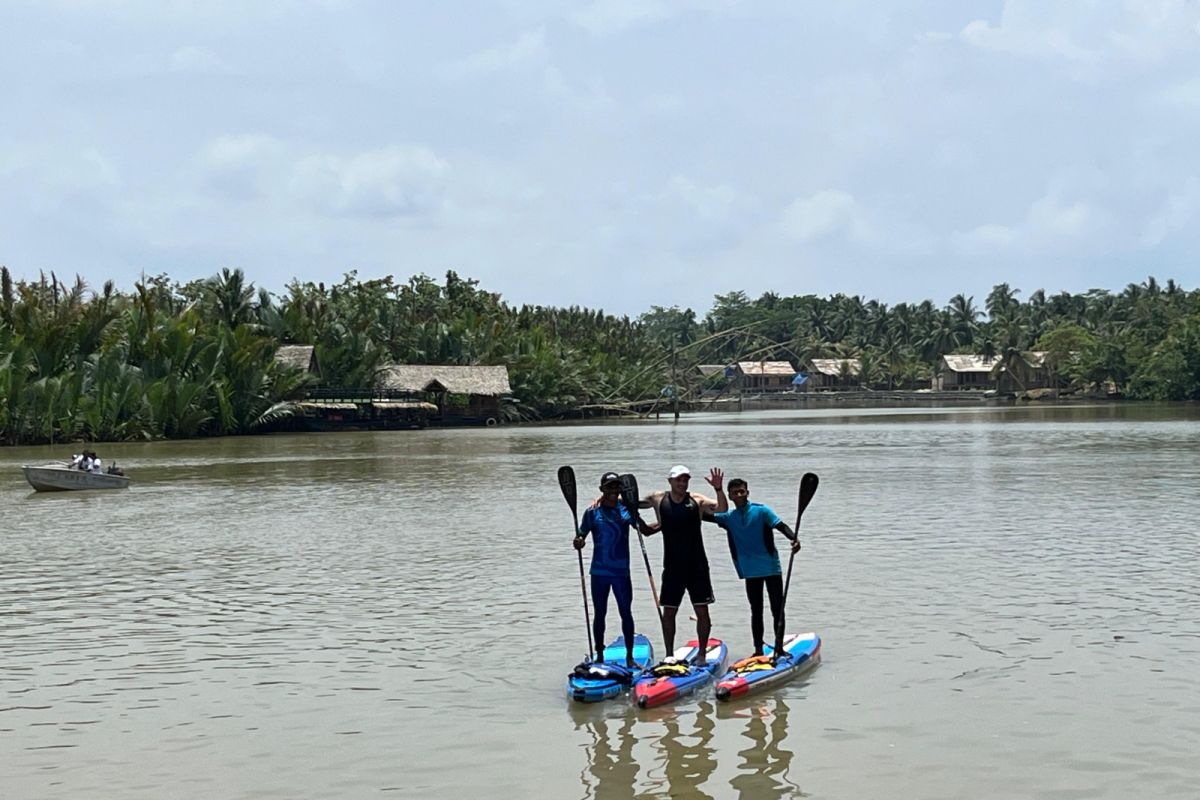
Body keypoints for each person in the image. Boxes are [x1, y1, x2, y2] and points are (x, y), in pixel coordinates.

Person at [640, 465, 727, 665]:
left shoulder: (696, 500)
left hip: (697, 566)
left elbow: (722, 509)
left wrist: (719, 489)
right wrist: (607, 499)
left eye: (685, 479)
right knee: (669, 612)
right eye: (678, 480)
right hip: (672, 567)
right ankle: (669, 654)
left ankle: (702, 655)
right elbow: (631, 502)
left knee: (702, 612)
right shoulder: (657, 499)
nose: (682, 483)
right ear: (670, 481)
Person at [705, 478, 799, 660]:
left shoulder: (761, 511)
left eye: (742, 491)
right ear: (730, 496)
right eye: (735, 492)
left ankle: (779, 648)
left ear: (748, 492)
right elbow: (701, 514)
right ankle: (758, 649)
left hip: (771, 568)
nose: (739, 495)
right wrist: (717, 490)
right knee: (756, 610)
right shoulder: (728, 518)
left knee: (777, 609)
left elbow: (781, 526)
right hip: (750, 571)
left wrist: (793, 538)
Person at [575, 471, 658, 667]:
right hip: (599, 573)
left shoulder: (626, 510)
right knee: (600, 613)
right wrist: (578, 542)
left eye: (616, 487)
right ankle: (600, 656)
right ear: (602, 490)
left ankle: (629, 658)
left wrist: (667, 522)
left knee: (625, 612)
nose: (613, 491)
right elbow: (581, 535)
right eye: (609, 487)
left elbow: (645, 531)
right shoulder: (591, 512)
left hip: (621, 573)